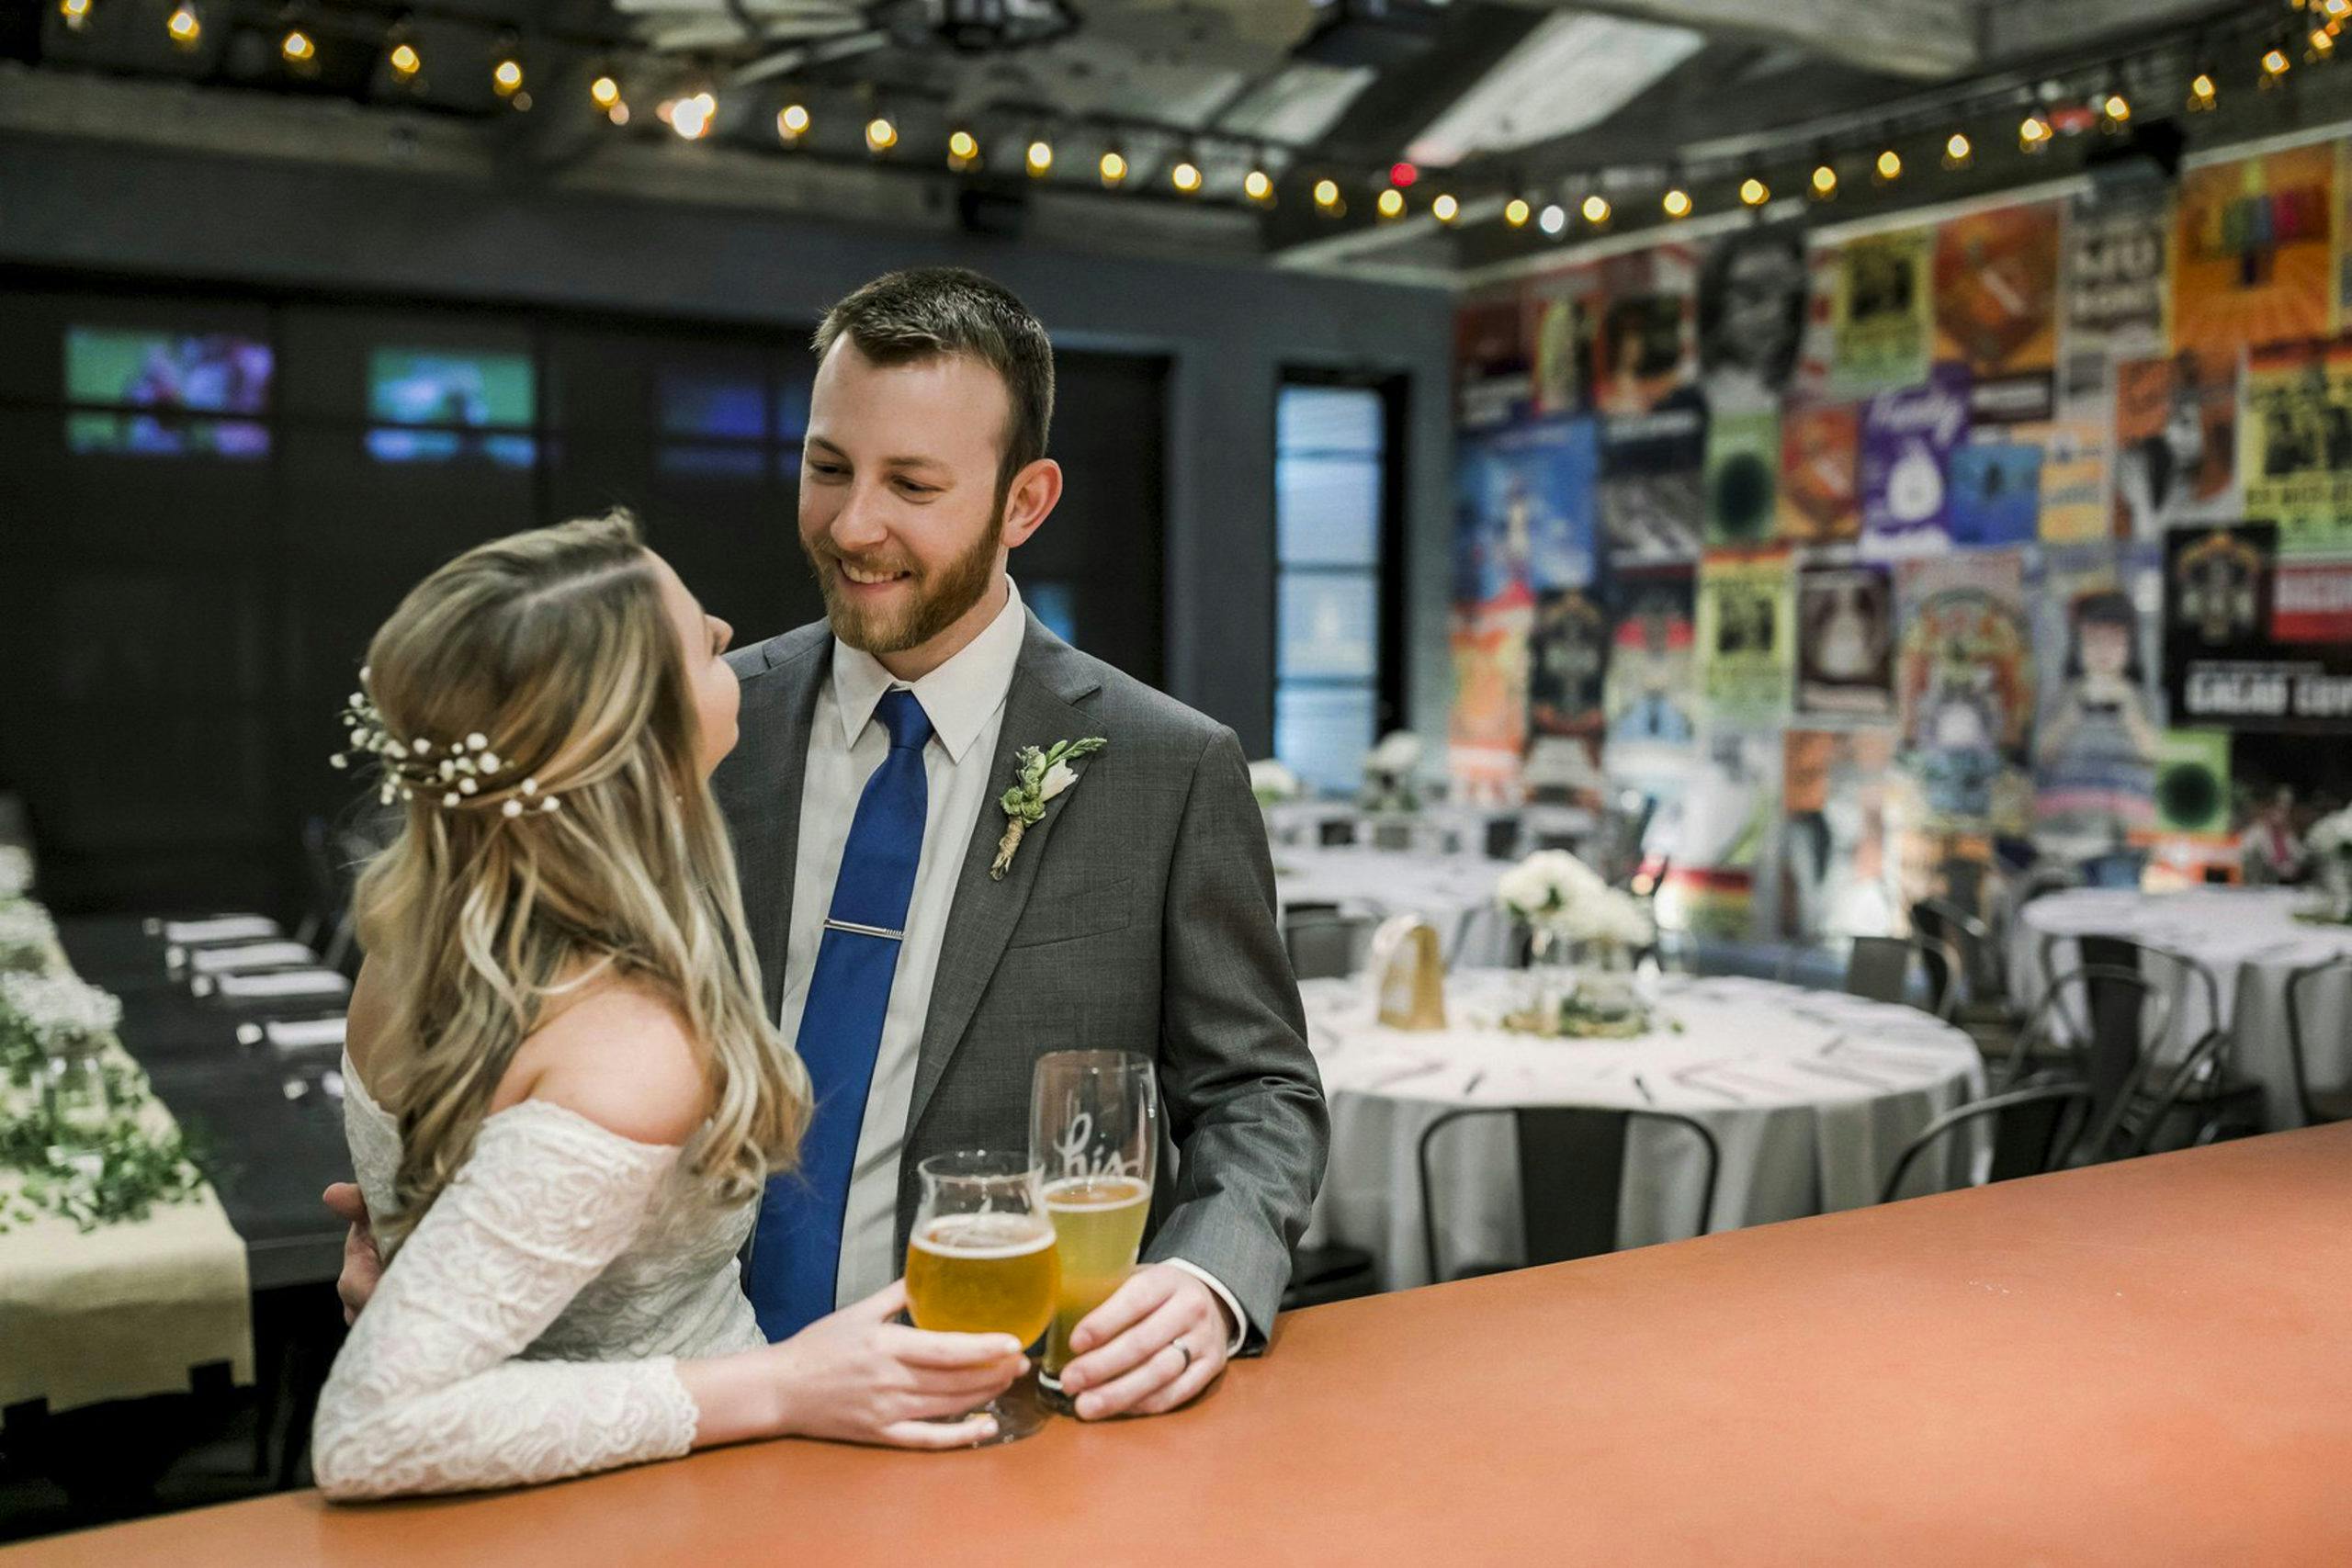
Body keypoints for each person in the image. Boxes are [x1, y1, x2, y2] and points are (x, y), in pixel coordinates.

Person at [334, 267, 1328, 1426]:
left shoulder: (1166, 766)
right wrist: (446, 1257)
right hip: (676, 1412)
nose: (855, 526)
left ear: (1024, 502)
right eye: (826, 467)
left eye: (912, 484)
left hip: (994, 1411)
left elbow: (1259, 1088)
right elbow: (522, 1016)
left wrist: (1207, 1280)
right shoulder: (694, 728)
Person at [311, 514, 1033, 1501]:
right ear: (643, 738)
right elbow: (373, 1429)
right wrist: (780, 1387)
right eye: (698, 638)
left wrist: (422, 1285)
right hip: (664, 1506)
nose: (729, 632)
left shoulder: (416, 937)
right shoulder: (629, 1041)